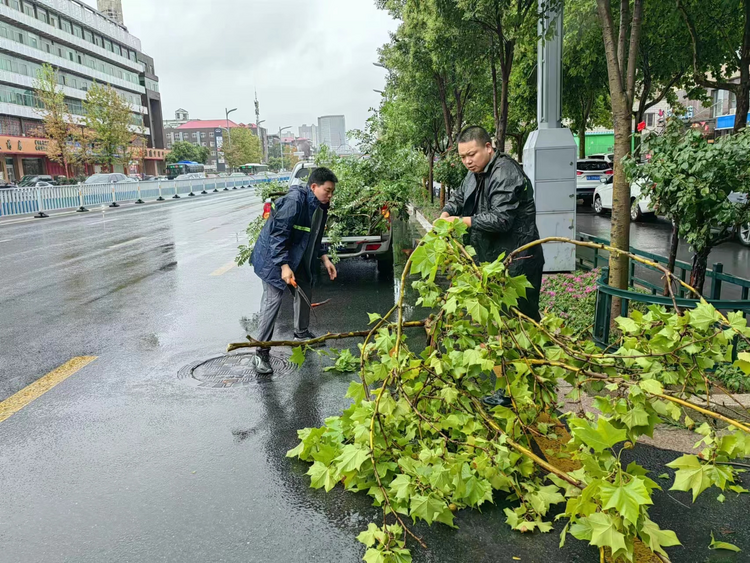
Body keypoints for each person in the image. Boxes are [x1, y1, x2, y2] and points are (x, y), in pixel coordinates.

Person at [440, 125, 545, 321]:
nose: (467, 161)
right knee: (496, 322)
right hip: (492, 260)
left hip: (517, 261)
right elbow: (459, 197)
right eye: (463, 157)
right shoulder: (475, 171)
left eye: (472, 154)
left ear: (488, 147)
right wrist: (446, 213)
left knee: (521, 320)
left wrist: (461, 220)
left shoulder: (505, 172)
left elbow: (501, 219)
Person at [250, 167, 339, 375]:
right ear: (314, 186)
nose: (330, 195)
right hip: (273, 258)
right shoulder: (295, 201)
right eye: (327, 190)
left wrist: (325, 257)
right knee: (273, 301)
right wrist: (283, 265)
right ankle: (260, 352)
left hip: (294, 256)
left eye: (332, 191)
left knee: (305, 286)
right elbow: (278, 235)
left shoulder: (321, 206)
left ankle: (301, 333)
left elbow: (314, 236)